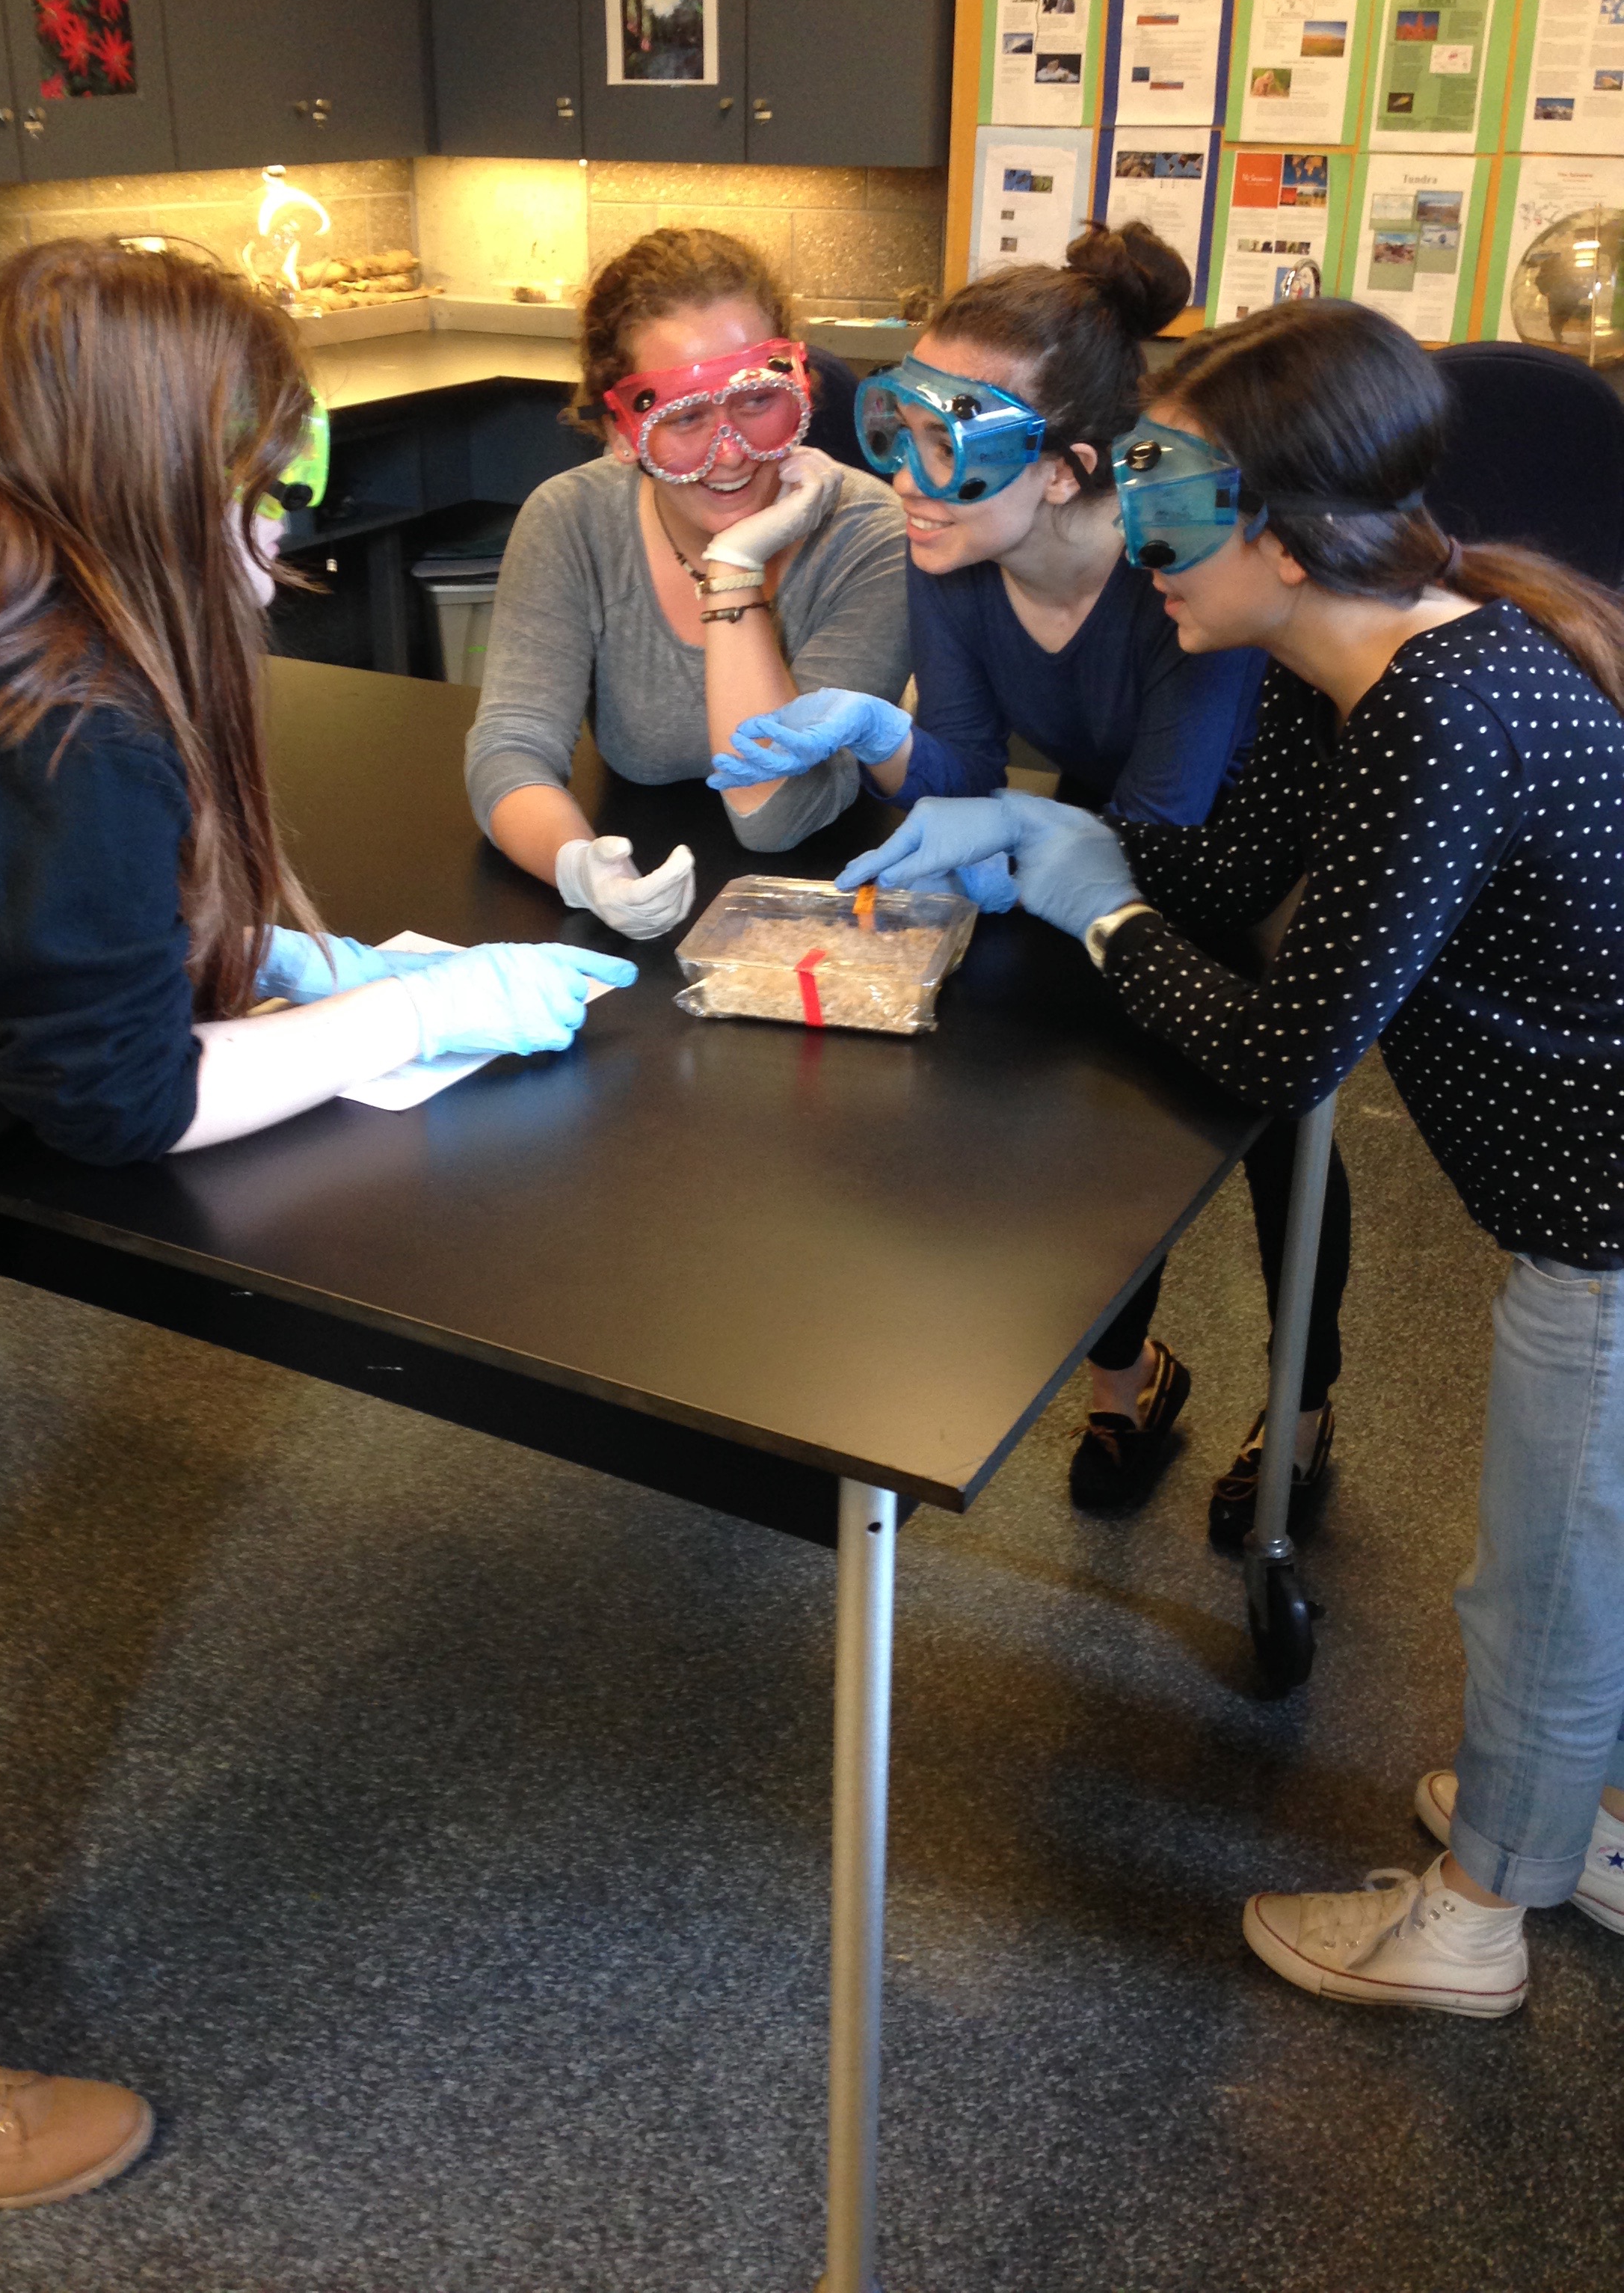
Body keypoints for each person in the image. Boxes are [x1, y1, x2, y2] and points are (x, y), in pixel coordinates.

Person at [0, 239, 635, 2207]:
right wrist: (401, 1013)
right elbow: (120, 1100)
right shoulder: (48, 709)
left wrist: (252, 959)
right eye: (260, 501)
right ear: (147, 492)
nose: (278, 556)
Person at [837, 296, 1624, 2016]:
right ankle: (1563, 1813)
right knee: (1585, 1553)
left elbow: (1284, 1046)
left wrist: (1087, 896)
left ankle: (1480, 1909)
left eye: (1166, 493)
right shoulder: (1341, 663)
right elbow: (1207, 877)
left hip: (1600, 1218)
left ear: (1279, 535)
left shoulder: (1439, 704)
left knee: (1545, 1585)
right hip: (1574, 1192)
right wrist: (1040, 840)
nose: (1134, 532)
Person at [713, 224, 1350, 1537]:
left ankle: (1301, 1406)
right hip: (1101, 843)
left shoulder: (1184, 571)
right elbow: (957, 768)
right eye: (899, 427)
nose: (909, 476)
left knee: (1276, 1125)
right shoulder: (951, 545)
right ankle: (1126, 1381)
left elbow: (1165, 832)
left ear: (1066, 471)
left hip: (1257, 861)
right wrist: (880, 733)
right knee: (1088, 1098)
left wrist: (1011, 835)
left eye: (953, 442)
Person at [463, 227, 911, 939]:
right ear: (619, 433)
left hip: (828, 910)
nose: (729, 453)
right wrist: (579, 868)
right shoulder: (572, 520)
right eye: (685, 417)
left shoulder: (868, 532)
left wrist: (734, 564)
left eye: (755, 402)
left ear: (801, 389)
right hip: (642, 912)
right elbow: (511, 747)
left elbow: (775, 813)